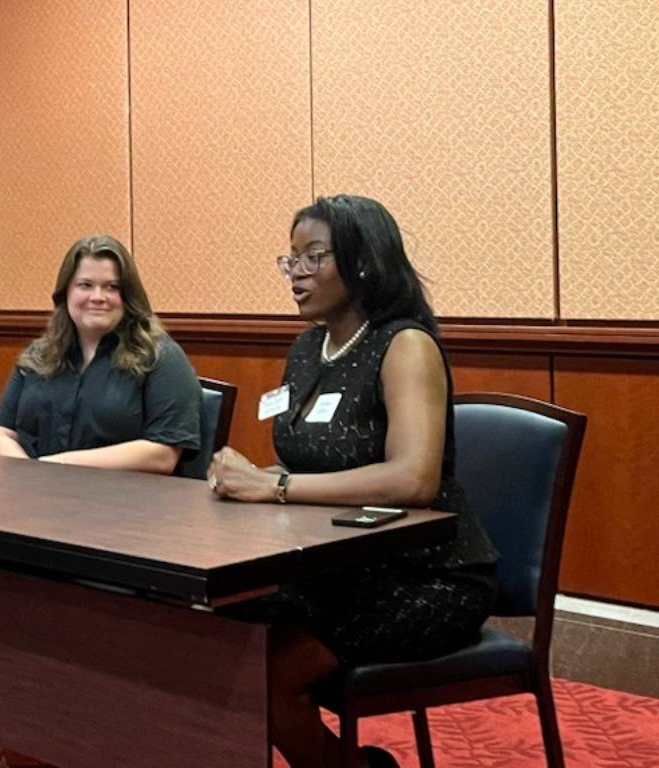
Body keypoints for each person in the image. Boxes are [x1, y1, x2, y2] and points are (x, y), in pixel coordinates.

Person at [207, 195, 499, 768]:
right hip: (334, 564)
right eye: (290, 259)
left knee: (263, 671)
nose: (296, 273)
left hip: (423, 574)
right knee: (213, 634)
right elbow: (316, 464)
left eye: (313, 257)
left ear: (363, 262)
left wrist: (277, 488)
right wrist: (255, 476)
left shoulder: (404, 344)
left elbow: (413, 478)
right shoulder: (307, 348)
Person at [0, 234, 202, 768]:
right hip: (40, 521)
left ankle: (6, 739)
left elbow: (163, 453)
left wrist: (58, 468)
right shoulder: (41, 356)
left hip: (128, 533)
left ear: (129, 295)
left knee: (32, 601)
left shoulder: (160, 357)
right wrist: (27, 476)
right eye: (86, 284)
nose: (99, 296)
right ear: (65, 293)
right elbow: (1, 432)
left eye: (112, 287)